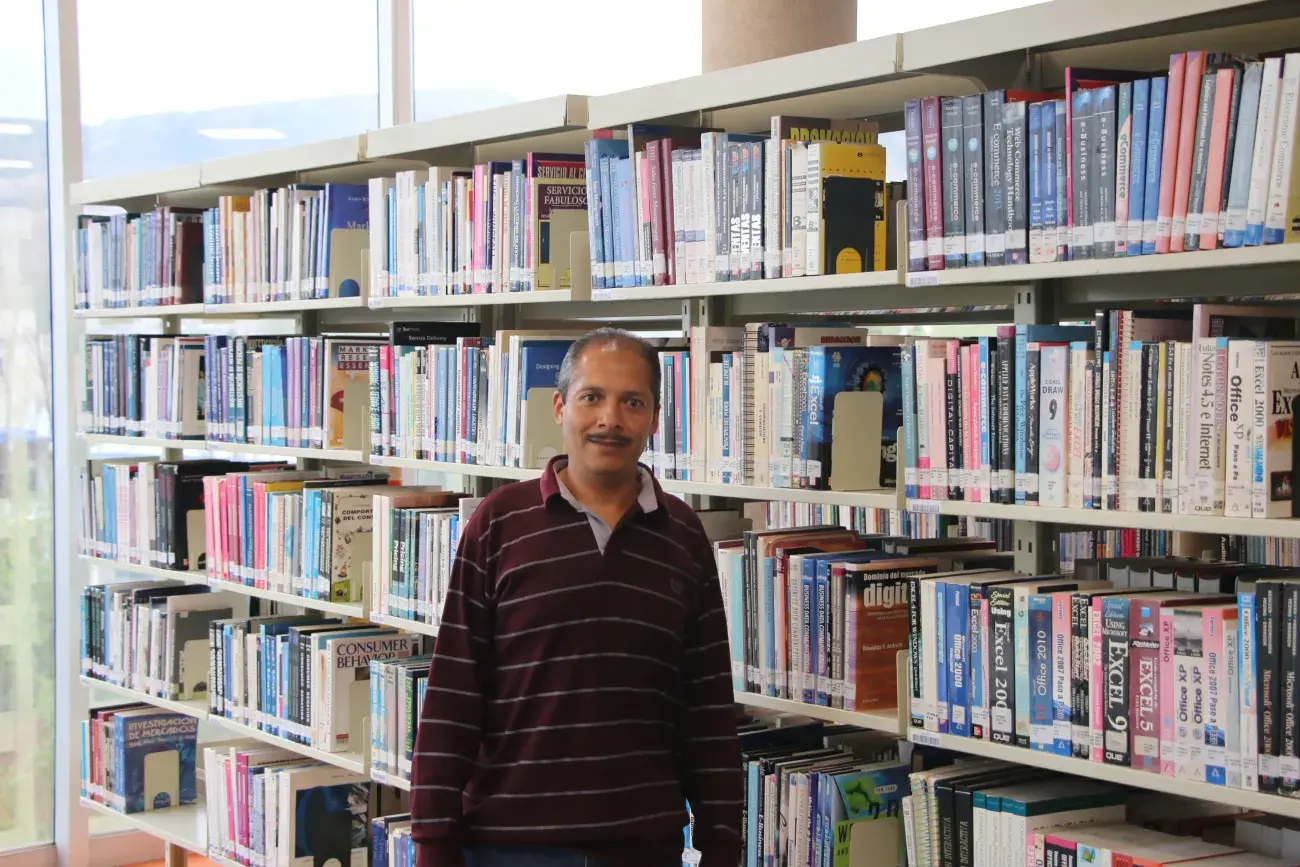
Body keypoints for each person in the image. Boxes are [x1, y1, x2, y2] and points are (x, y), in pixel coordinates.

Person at [410, 328, 743, 867]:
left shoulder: (683, 535)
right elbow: (454, 692)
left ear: (655, 419)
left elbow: (707, 705)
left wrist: (722, 840)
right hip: (509, 845)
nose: (610, 419)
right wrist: (433, 843)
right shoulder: (499, 522)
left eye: (632, 402)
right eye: (592, 397)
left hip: (644, 846)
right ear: (559, 406)